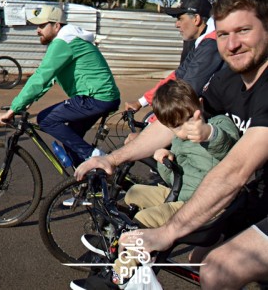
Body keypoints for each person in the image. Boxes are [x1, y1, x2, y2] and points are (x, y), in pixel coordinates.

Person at [73, 0, 268, 288]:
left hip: (255, 197)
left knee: (219, 269)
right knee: (197, 261)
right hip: (250, 199)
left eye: (244, 30)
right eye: (224, 33)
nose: (232, 44)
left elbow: (236, 170)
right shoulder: (229, 78)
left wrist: (167, 231)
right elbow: (177, 121)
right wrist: (111, 158)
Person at [77, 79, 239, 289]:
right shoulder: (179, 138)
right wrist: (165, 161)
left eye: (189, 118)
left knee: (146, 217)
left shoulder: (219, 124)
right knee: (133, 193)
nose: (184, 129)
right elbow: (175, 176)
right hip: (179, 191)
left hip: (204, 204)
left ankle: (119, 276)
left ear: (200, 104)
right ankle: (113, 242)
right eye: (176, 126)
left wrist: (208, 133)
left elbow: (227, 146)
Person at [0, 5, 120, 166]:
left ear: (56, 26)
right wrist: (25, 103)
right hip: (102, 97)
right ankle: (89, 185)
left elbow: (41, 76)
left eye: (42, 26)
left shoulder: (64, 41)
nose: (37, 31)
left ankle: (97, 157)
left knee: (46, 119)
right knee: (71, 142)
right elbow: (49, 79)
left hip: (96, 98)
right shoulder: (68, 39)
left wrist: (14, 108)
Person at [125, 0, 224, 112]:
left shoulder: (211, 44)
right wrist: (141, 102)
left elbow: (188, 89)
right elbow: (178, 76)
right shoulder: (202, 40)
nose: (176, 24)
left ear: (196, 19)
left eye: (180, 18)